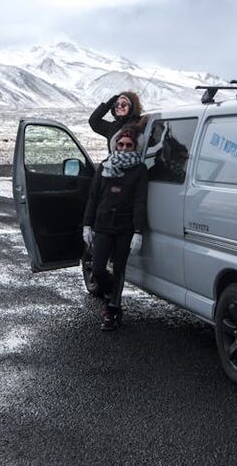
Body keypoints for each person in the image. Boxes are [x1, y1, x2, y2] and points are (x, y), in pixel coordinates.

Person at [82, 126, 148, 331]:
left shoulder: (140, 170)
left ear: (135, 146)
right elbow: (93, 196)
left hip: (124, 227)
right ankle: (113, 293)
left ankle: (112, 311)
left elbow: (140, 202)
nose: (124, 148)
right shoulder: (104, 166)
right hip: (102, 225)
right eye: (120, 144)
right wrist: (87, 224)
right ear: (115, 145)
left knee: (119, 269)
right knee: (99, 269)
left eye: (129, 145)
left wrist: (139, 231)